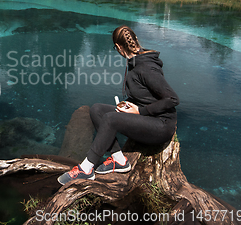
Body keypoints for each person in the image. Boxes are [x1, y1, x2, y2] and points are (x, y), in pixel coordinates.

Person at [58, 25, 179, 184]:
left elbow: (172, 99)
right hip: (149, 119)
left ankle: (86, 169)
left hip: (161, 126)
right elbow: (147, 94)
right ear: (135, 40)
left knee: (110, 119)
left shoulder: (146, 68)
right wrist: (130, 105)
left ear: (118, 47)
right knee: (97, 110)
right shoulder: (135, 62)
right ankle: (119, 160)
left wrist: (141, 111)